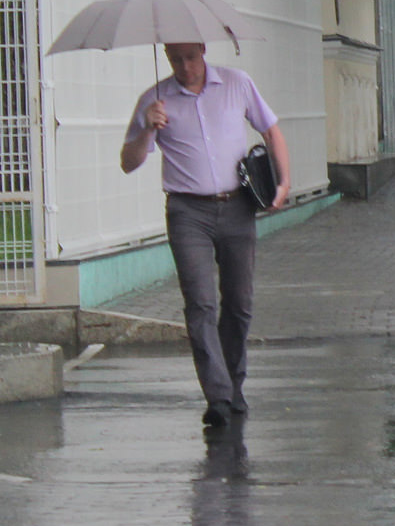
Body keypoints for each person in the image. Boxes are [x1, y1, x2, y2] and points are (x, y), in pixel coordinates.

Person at [120, 42, 291, 432]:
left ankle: (233, 384)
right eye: (175, 59)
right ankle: (217, 396)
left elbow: (271, 129)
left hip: (237, 206)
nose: (184, 67)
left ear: (203, 51)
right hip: (187, 211)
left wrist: (284, 183)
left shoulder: (237, 84)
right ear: (166, 56)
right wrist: (148, 129)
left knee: (240, 301)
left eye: (190, 57)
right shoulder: (154, 99)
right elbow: (128, 163)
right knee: (200, 304)